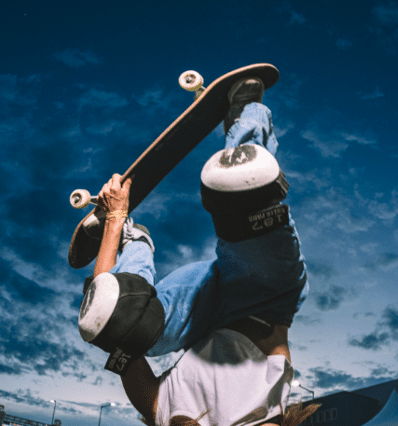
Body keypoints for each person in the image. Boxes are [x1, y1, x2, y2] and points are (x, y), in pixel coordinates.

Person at [77, 77, 316, 426]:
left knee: (112, 321)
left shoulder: (163, 410)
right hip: (263, 300)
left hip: (200, 312)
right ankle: (244, 118)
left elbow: (107, 325)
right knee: (241, 186)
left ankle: (135, 240)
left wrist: (114, 221)